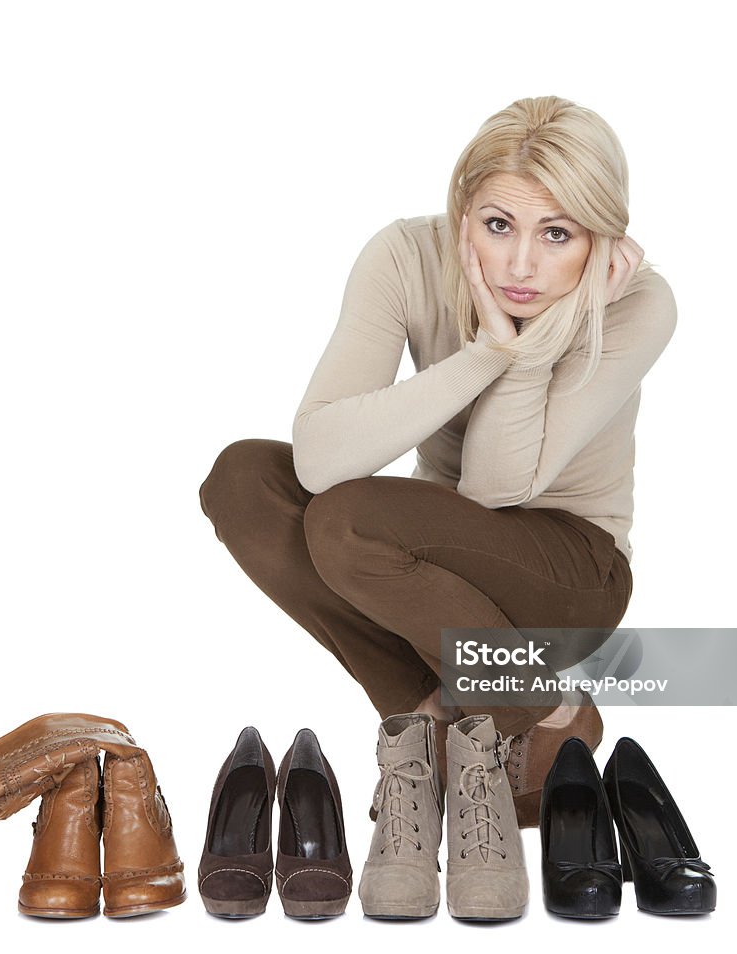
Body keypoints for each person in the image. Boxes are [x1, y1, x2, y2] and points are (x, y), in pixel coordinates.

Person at [199, 96, 675, 827]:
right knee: (244, 480)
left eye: (557, 234)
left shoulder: (638, 303)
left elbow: (495, 487)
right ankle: (450, 715)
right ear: (462, 214)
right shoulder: (405, 256)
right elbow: (321, 457)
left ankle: (536, 697)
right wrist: (487, 349)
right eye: (497, 226)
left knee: (351, 524)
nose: (521, 264)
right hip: (427, 558)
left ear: (603, 238)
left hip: (572, 576)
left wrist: (525, 351)